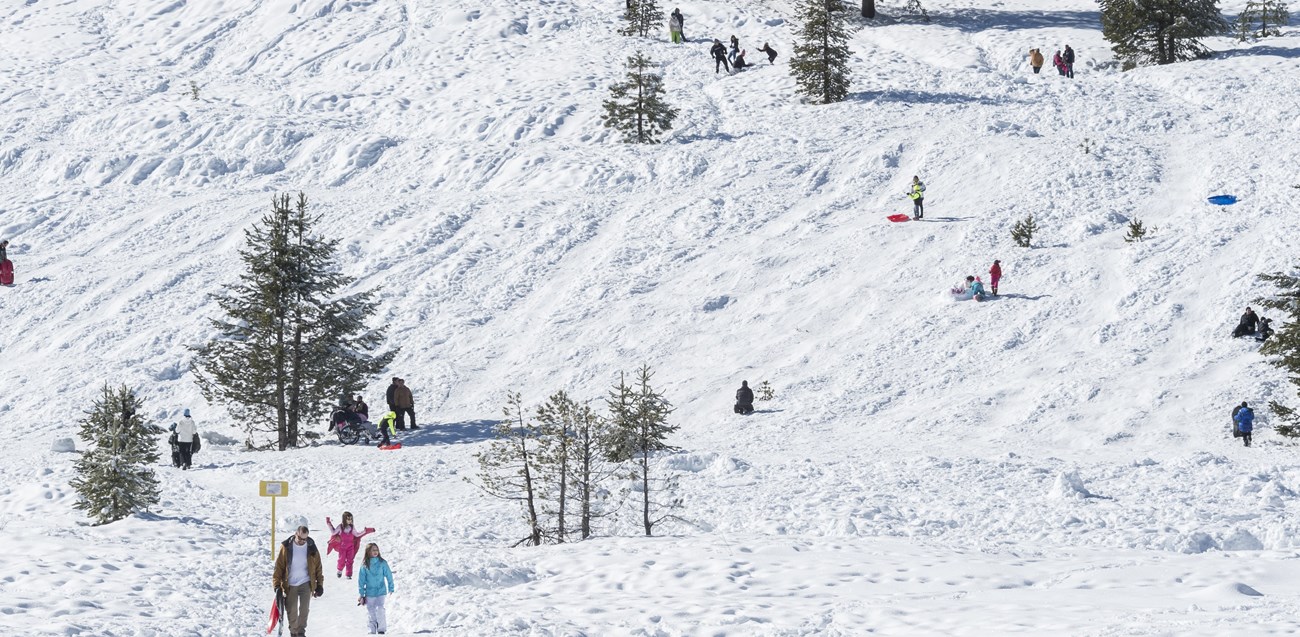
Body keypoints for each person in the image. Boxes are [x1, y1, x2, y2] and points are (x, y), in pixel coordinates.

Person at [273, 526, 324, 637]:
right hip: (290, 583)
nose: (302, 541)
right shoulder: (286, 546)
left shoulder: (311, 547)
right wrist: (276, 585)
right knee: (292, 610)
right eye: (300, 538)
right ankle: (294, 632)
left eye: (304, 539)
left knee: (304, 609)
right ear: (295, 534)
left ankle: (301, 632)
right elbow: (279, 567)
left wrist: (319, 585)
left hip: (306, 582)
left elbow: (318, 567)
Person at [357, 543, 395, 635]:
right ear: (368, 552)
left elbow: (388, 575)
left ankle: (381, 629)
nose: (375, 552)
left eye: (376, 550)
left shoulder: (382, 563)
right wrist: (361, 594)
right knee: (371, 611)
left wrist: (391, 587)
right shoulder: (365, 565)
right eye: (373, 550)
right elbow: (361, 581)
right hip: (370, 593)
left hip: (381, 591)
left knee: (380, 609)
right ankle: (372, 630)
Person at [327, 512, 375, 579]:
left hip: (350, 547)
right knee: (342, 560)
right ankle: (339, 570)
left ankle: (348, 574)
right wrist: (329, 523)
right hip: (342, 547)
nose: (350, 520)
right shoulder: (340, 527)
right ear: (344, 519)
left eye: (351, 519)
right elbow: (333, 532)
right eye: (348, 519)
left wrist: (365, 531)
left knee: (350, 560)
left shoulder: (352, 527)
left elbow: (357, 535)